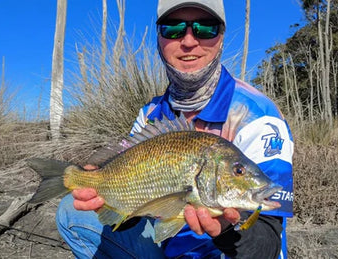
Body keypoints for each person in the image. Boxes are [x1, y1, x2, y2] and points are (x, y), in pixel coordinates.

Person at [56, 0, 294, 258]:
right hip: (169, 249)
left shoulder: (258, 117)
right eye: (173, 28)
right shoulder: (150, 115)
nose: (189, 41)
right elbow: (137, 211)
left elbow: (268, 245)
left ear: (221, 37)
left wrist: (226, 229)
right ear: (160, 39)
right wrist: (108, 194)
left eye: (205, 28)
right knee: (70, 210)